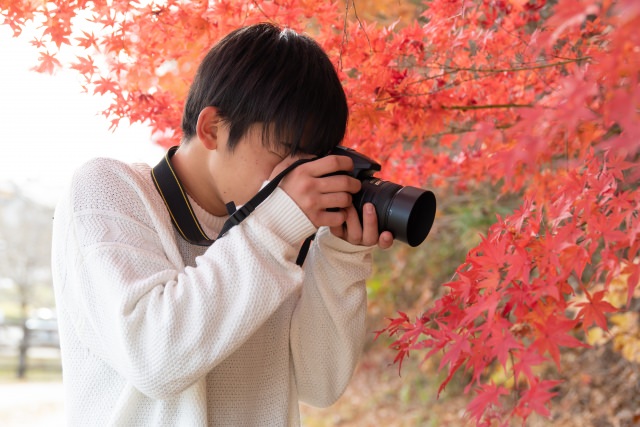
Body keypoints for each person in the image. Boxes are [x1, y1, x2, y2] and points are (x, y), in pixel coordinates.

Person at [51, 22, 393, 426]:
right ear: (213, 128)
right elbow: (154, 356)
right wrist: (276, 226)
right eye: (286, 152)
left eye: (310, 159)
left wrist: (340, 257)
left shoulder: (273, 226)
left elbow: (321, 385)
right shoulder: (107, 189)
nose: (296, 176)